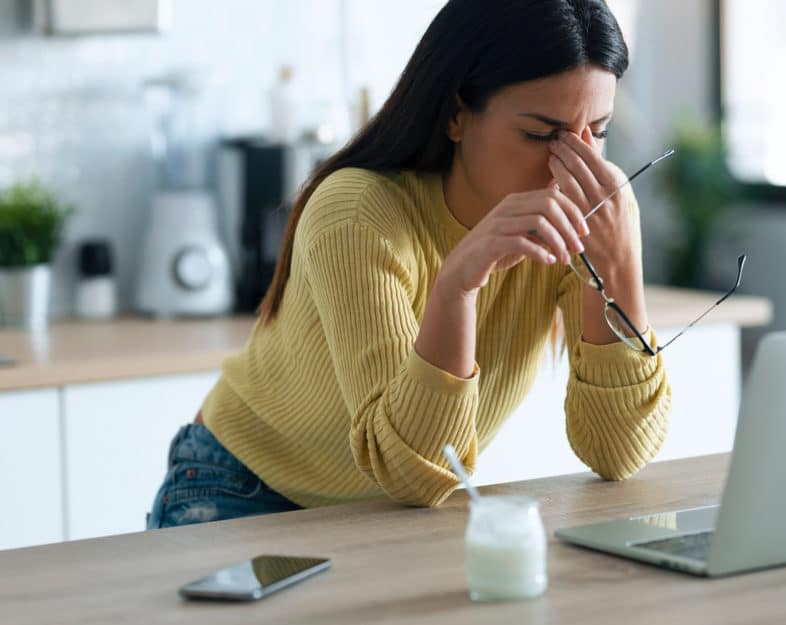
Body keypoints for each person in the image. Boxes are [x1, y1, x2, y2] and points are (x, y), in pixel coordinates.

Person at [146, 0, 671, 530]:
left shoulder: (583, 219)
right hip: (243, 492)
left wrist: (621, 265)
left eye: (597, 132)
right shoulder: (357, 212)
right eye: (540, 135)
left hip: (389, 516)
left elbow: (618, 452)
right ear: (456, 114)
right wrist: (456, 289)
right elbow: (412, 471)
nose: (571, 167)